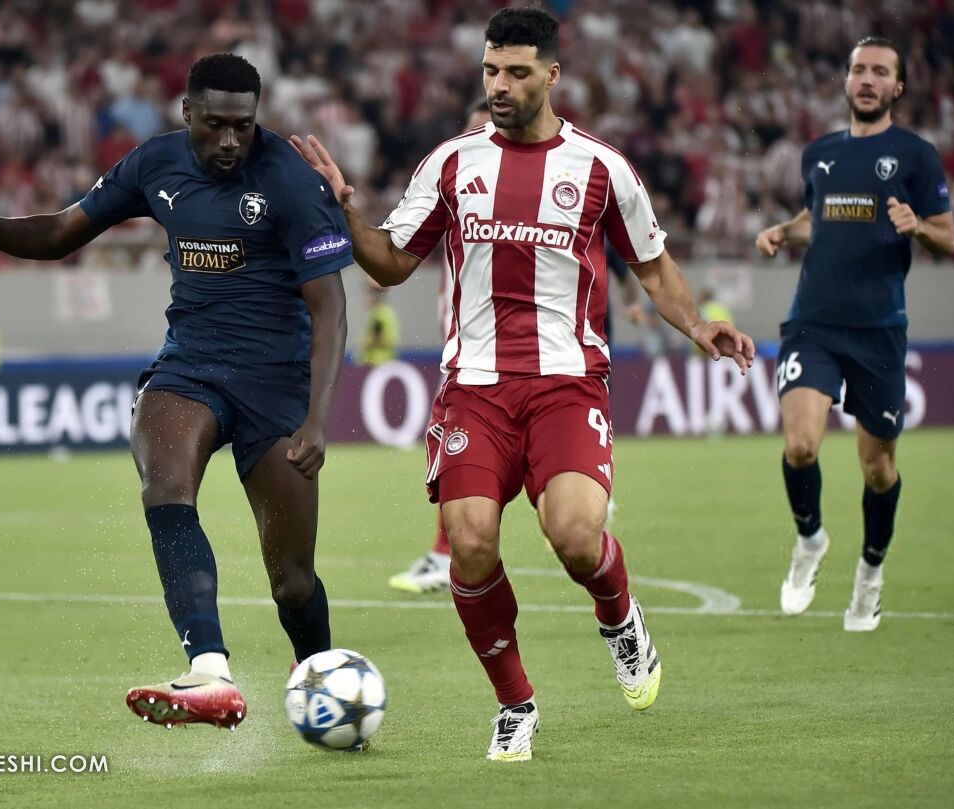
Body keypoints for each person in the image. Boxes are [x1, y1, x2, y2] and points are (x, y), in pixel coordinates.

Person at [294, 7, 754, 761]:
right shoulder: (452, 164)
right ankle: (515, 704)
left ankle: (619, 615)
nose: (499, 85)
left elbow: (652, 266)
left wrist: (698, 324)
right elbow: (392, 262)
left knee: (574, 536)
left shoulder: (602, 169)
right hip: (474, 390)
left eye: (515, 72)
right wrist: (347, 210)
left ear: (552, 75)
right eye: (490, 71)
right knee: (470, 544)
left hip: (567, 384)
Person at [0, 54, 352, 731]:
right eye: (214, 124)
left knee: (293, 581)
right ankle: (209, 670)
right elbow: (61, 233)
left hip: (276, 382)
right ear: (187, 113)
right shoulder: (156, 164)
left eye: (243, 126)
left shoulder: (290, 182)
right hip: (190, 366)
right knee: (165, 485)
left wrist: (317, 419)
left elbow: (330, 307)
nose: (229, 140)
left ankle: (325, 684)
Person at [387, 102, 646, 595]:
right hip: (470, 354)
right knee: (468, 479)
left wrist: (635, 304)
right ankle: (450, 551)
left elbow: (627, 259)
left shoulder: (569, 186)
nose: (480, 137)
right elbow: (401, 250)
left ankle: (570, 509)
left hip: (555, 358)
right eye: (473, 128)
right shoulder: (456, 182)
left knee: (552, 508)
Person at [755, 36, 954, 632]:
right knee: (800, 445)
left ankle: (870, 573)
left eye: (880, 72)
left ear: (898, 87)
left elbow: (948, 237)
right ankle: (810, 539)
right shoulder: (818, 153)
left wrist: (917, 226)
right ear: (846, 82)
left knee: (878, 469)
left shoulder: (916, 155)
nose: (868, 80)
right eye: (859, 70)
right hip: (812, 323)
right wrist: (783, 232)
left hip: (878, 333)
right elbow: (815, 218)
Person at [359, 277, 400, 366]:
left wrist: (367, 345)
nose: (367, 297)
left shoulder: (381, 314)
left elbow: (382, 339)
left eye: (370, 293)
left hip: (377, 363)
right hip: (376, 363)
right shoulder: (378, 313)